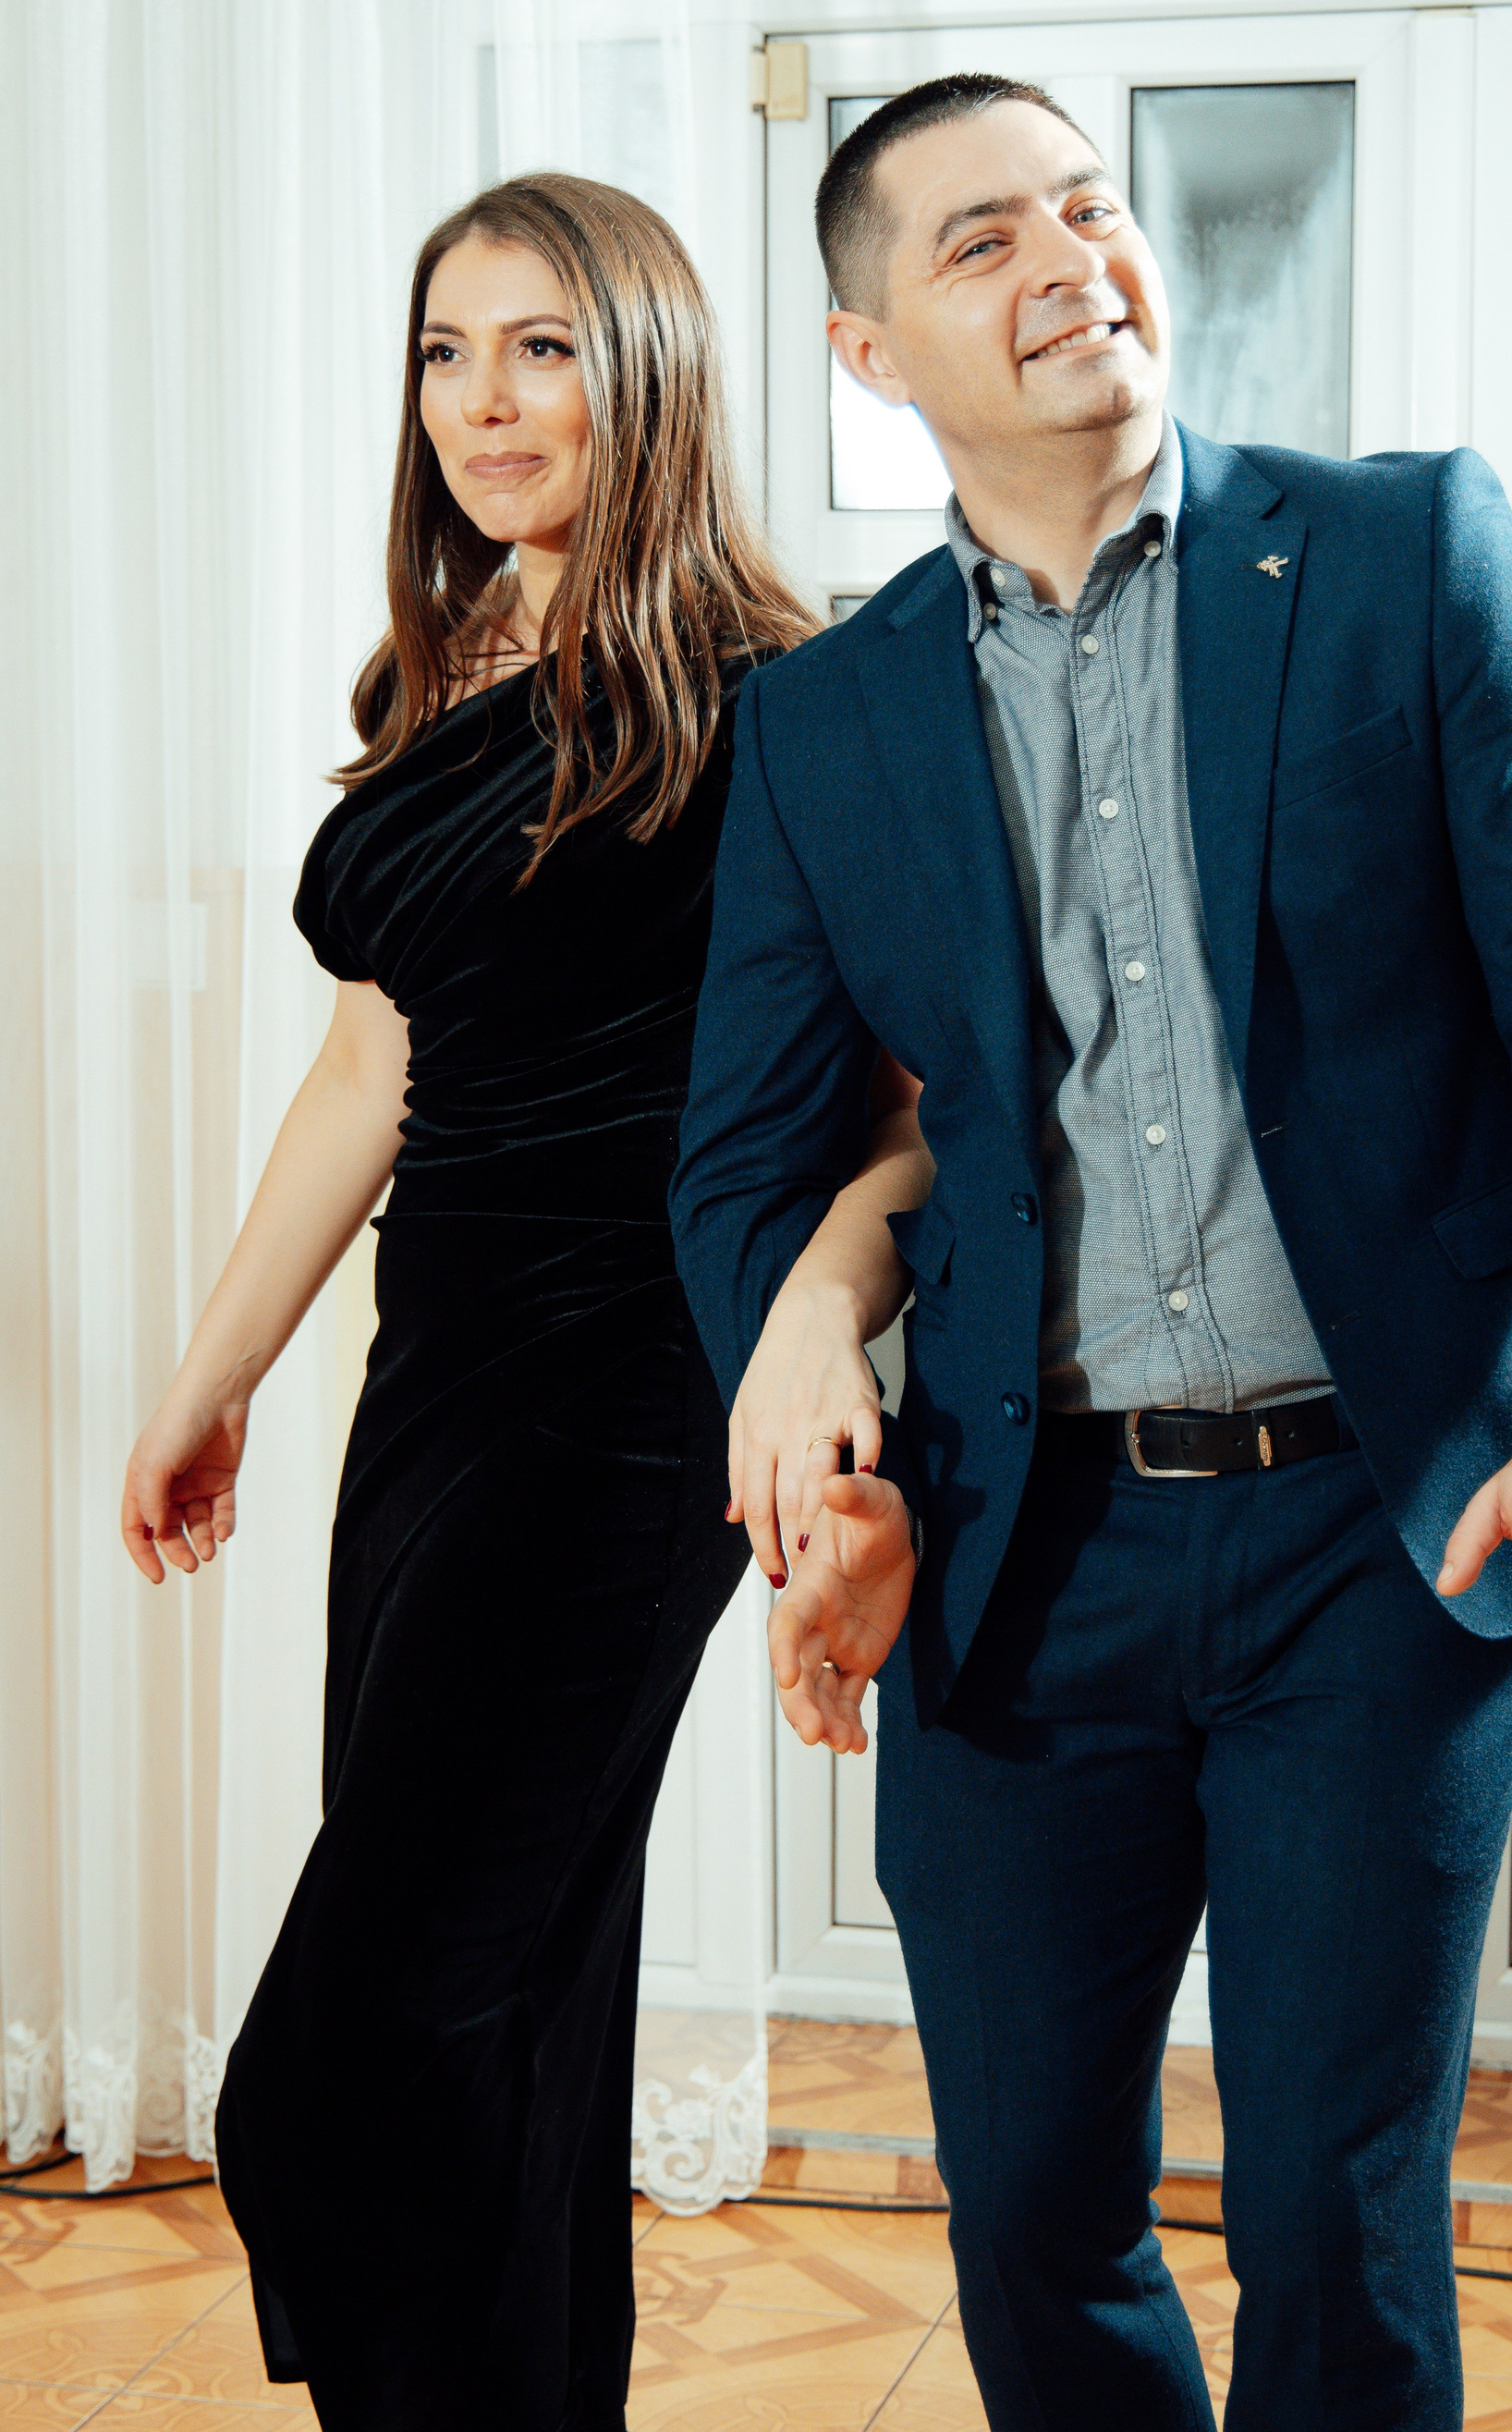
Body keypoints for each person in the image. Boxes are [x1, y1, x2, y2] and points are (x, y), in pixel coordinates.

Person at [669, 76, 1512, 2431]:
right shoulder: (821, 723)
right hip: (1019, 1560)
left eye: (1088, 204)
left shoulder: (1409, 558)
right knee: (1032, 2204)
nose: (1068, 260)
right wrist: (805, 1383)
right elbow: (745, 1155)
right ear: (868, 356)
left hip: (1382, 1533)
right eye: (980, 242)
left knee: (1337, 2214)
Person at [120, 172, 931, 2432]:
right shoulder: (444, 671)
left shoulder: (789, 699)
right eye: (445, 354)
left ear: (645, 370)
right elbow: (371, 1067)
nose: (483, 403)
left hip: (636, 1402)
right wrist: (209, 1379)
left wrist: (822, 1359)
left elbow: (912, 1103)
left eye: (542, 348)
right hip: (437, 1390)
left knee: (349, 2068)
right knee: (515, 2018)